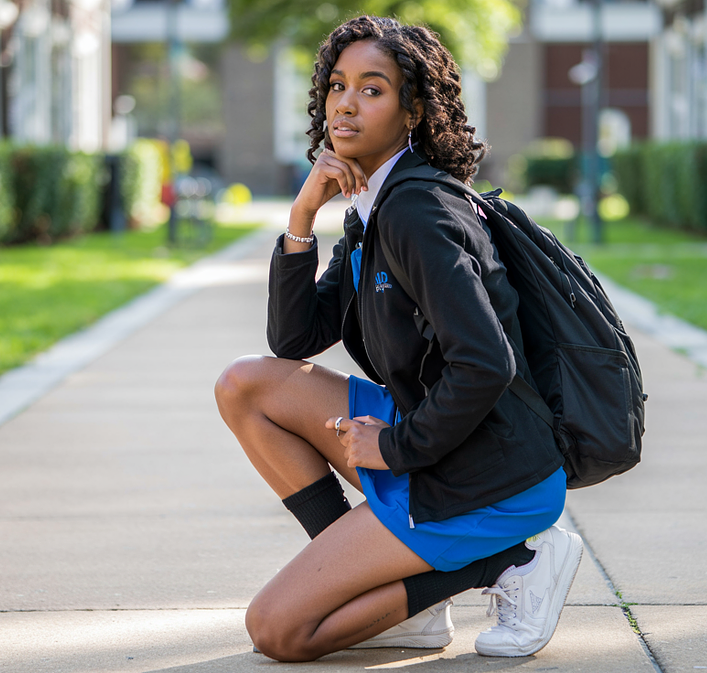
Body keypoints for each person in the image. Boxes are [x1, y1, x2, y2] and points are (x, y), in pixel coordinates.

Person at [214, 15, 584, 662]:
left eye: (372, 88)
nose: (346, 104)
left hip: (488, 474)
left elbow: (485, 362)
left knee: (277, 630)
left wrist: (395, 445)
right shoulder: (375, 206)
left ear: (413, 109)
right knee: (246, 385)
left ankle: (507, 560)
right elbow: (294, 338)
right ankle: (401, 591)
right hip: (442, 437)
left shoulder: (418, 211)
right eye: (336, 86)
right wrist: (303, 217)